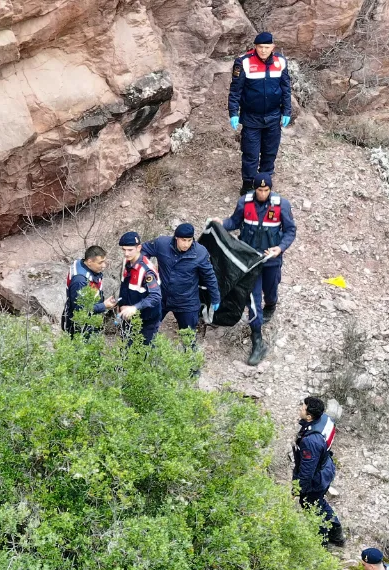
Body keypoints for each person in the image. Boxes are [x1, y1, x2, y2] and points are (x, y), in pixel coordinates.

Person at [216, 173, 295, 365]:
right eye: (259, 190)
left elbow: (290, 230)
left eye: (265, 190)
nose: (262, 193)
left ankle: (272, 304)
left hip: (271, 260)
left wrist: (280, 248)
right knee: (252, 300)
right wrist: (221, 223)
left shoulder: (281, 205)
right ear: (254, 189)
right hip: (250, 261)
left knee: (270, 290)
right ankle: (257, 340)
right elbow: (234, 222)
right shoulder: (245, 202)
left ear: (270, 189)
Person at [228, 32, 291, 196]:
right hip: (251, 118)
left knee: (270, 152)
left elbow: (286, 89)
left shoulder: (281, 62)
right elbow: (235, 91)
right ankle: (248, 186)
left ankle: (264, 183)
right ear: (255, 47)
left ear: (273, 47)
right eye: (260, 47)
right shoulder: (243, 62)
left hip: (273, 117)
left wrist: (287, 111)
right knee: (251, 154)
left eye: (267, 47)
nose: (263, 51)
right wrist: (233, 112)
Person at [142, 223, 221, 339]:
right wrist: (147, 271)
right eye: (183, 240)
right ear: (176, 238)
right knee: (146, 333)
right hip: (161, 297)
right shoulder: (162, 244)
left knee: (188, 340)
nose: (186, 244)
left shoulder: (200, 253)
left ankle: (188, 357)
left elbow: (209, 276)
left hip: (187, 302)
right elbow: (143, 251)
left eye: (189, 240)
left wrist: (215, 297)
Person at [294, 396, 344, 546]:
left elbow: (307, 471)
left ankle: (321, 542)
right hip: (326, 467)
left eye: (303, 407)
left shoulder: (311, 441)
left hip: (317, 477)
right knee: (319, 502)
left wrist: (297, 489)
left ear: (309, 416)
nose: (300, 408)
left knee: (311, 506)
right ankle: (336, 532)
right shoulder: (325, 419)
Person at [116, 232, 163, 345]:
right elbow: (125, 286)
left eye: (130, 250)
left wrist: (134, 308)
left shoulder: (147, 271)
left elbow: (156, 296)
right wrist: (120, 303)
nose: (126, 253)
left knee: (143, 355)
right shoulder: (127, 262)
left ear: (139, 248)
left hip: (146, 321)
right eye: (124, 250)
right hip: (128, 317)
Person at [62, 245, 114, 336]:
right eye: (100, 262)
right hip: (81, 327)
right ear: (89, 261)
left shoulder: (85, 267)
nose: (104, 265)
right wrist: (103, 306)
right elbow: (80, 309)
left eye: (104, 261)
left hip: (91, 320)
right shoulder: (80, 281)